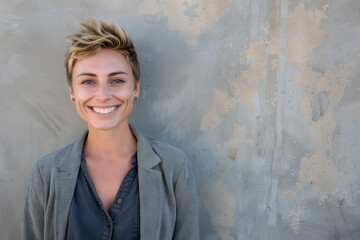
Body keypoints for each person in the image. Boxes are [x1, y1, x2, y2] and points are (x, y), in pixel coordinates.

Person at [22, 18, 199, 240]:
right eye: (88, 81)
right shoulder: (46, 174)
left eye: (116, 80)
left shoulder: (173, 167)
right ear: (72, 92)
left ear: (135, 88)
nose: (103, 95)